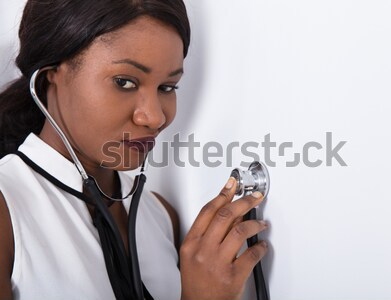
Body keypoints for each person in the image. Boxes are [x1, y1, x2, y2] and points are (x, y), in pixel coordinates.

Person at [0, 1, 269, 299]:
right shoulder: (7, 209)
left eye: (167, 87)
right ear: (51, 75)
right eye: (124, 82)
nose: (154, 117)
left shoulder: (162, 218)